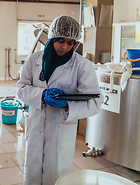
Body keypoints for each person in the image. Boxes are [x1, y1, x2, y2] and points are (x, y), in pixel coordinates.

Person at [16, 15, 103, 185]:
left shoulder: (82, 65)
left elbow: (95, 102)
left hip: (61, 130)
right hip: (35, 125)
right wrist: (41, 95)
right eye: (61, 41)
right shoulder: (34, 60)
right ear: (52, 38)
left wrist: (67, 105)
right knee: (32, 172)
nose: (65, 47)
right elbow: (20, 88)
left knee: (57, 175)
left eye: (70, 43)